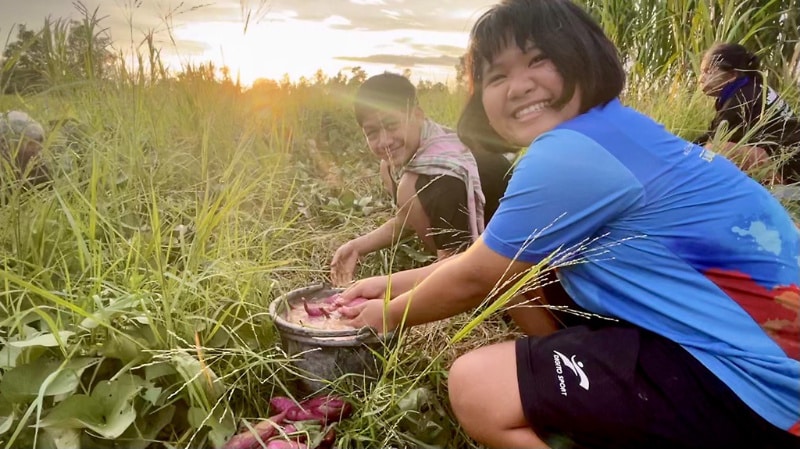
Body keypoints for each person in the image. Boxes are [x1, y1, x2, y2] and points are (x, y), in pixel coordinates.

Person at [336, 1, 800, 448]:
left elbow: (477, 277)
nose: (517, 86)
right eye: (497, 75)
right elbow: (493, 263)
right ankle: (584, 396)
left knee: (476, 386)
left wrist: (384, 315)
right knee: (530, 276)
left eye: (539, 59)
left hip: (760, 389)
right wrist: (388, 284)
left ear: (584, 58)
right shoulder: (611, 130)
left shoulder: (570, 154)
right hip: (750, 353)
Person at [329, 73, 511, 287]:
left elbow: (455, 266)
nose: (384, 141)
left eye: (391, 125)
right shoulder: (400, 161)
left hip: (515, 260)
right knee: (396, 178)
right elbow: (405, 220)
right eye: (372, 132)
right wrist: (357, 246)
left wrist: (380, 288)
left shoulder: (441, 176)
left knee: (408, 189)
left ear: (416, 115)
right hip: (471, 245)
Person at [695, 42, 800, 183]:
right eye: (702, 72)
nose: (701, 79)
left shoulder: (742, 99)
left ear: (732, 74)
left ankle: (776, 192)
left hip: (789, 170)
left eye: (708, 72)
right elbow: (710, 134)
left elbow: (713, 143)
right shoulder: (752, 88)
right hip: (788, 161)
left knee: (716, 149)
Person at [0, 110, 50, 186]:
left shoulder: (40, 168)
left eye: (40, 141)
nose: (38, 148)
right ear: (4, 144)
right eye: (30, 143)